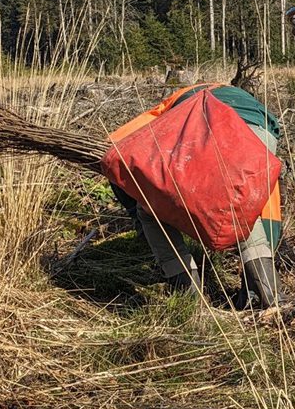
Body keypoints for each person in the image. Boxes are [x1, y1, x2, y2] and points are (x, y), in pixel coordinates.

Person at [109, 83, 283, 308]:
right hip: (261, 130)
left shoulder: (163, 111)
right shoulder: (224, 97)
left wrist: (138, 211)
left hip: (208, 123)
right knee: (241, 207)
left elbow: (119, 148)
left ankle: (189, 299)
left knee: (150, 210)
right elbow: (269, 210)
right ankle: (271, 297)